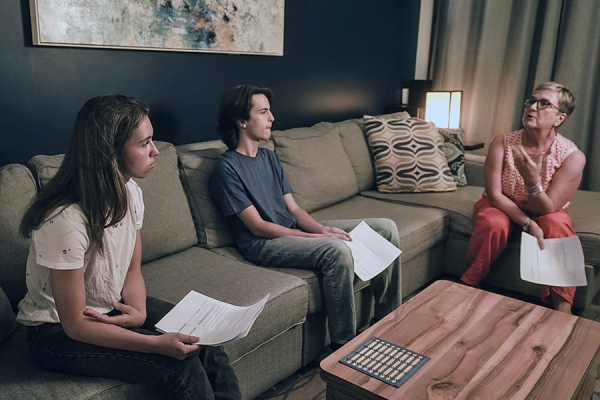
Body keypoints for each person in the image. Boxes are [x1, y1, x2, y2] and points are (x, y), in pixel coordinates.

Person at [16, 95, 242, 399]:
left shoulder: (130, 192)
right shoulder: (65, 220)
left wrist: (138, 311)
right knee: (180, 366)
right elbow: (75, 325)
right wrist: (152, 343)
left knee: (204, 339)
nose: (156, 151)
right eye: (144, 143)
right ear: (109, 151)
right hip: (56, 332)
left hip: (109, 307)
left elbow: (133, 269)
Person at [209, 85, 402, 350]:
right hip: (262, 244)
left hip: (288, 229)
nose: (272, 118)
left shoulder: (269, 157)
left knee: (385, 228)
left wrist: (322, 229)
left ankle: (389, 320)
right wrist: (316, 238)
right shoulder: (226, 169)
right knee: (337, 250)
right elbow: (258, 227)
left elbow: (294, 210)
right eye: (263, 112)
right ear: (242, 120)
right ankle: (344, 344)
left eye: (270, 111)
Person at [460, 82, 586, 314]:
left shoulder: (573, 156)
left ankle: (562, 309)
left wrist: (531, 182)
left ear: (560, 117)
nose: (533, 107)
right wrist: (527, 223)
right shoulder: (502, 142)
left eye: (544, 103)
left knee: (557, 224)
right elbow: (495, 195)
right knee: (493, 222)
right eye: (531, 100)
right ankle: (467, 285)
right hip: (502, 204)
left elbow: (548, 208)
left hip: (546, 209)